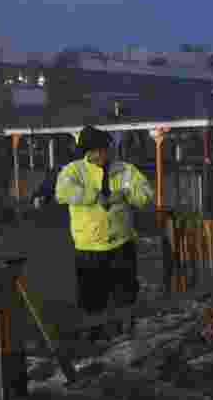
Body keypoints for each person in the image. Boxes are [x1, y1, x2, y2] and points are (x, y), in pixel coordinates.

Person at [55, 125, 155, 340]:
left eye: (101, 149)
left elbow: (146, 194)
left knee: (126, 297)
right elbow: (62, 192)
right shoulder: (73, 171)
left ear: (107, 149)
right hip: (88, 249)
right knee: (91, 301)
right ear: (85, 152)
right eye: (92, 151)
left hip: (122, 245)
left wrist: (127, 193)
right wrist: (94, 196)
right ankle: (94, 340)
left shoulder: (126, 170)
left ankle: (126, 338)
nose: (98, 154)